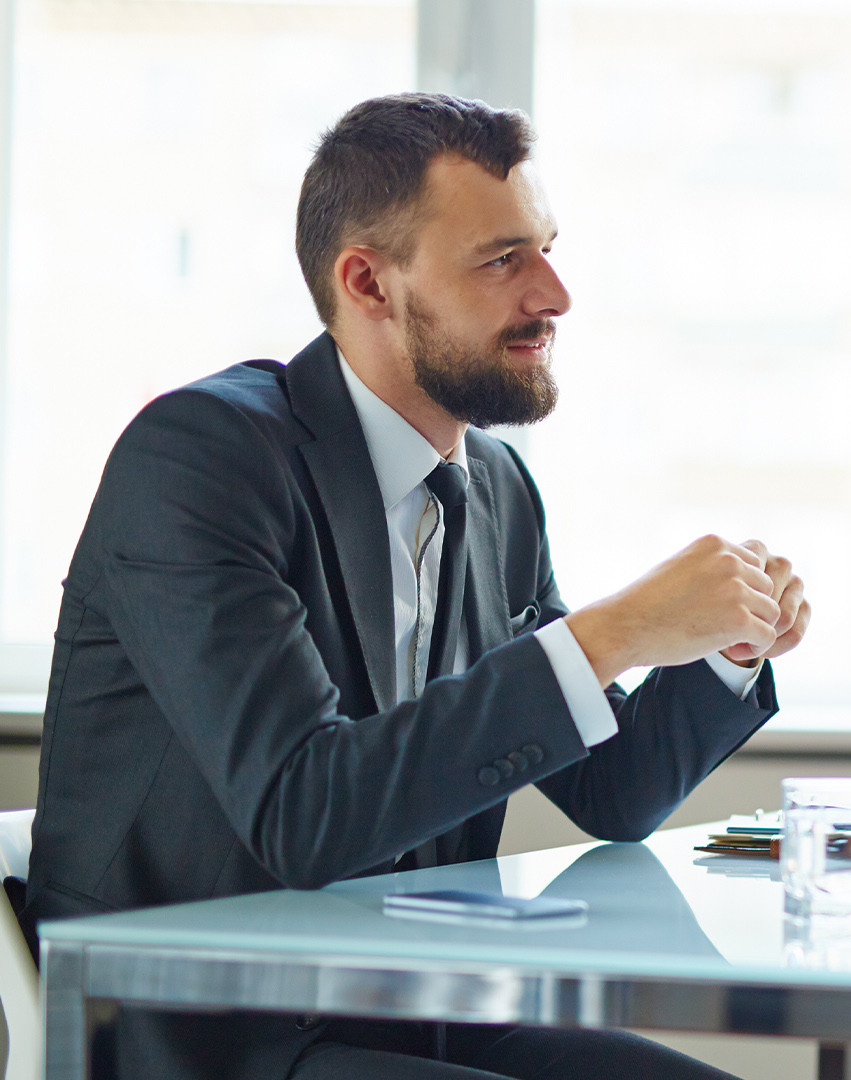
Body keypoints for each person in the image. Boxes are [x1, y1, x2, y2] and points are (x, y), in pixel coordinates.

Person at [19, 93, 808, 1080]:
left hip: (412, 1011)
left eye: (549, 248)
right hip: (213, 1035)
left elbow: (612, 791)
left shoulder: (497, 490)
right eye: (502, 259)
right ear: (368, 284)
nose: (556, 293)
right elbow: (302, 816)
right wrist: (613, 631)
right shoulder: (202, 458)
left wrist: (721, 654)